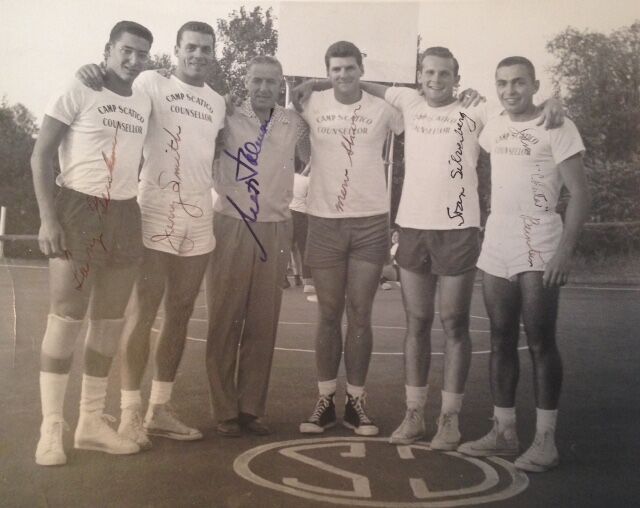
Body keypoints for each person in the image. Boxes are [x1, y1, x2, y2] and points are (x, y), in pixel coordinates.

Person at [293, 46, 564, 447]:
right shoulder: (407, 100)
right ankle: (415, 414)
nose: (435, 80)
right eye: (428, 73)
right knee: (416, 324)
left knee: (454, 324)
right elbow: (359, 81)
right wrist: (314, 82)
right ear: (419, 76)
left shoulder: (479, 109)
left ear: (457, 78)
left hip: (457, 230)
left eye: (444, 74)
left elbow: (521, 109)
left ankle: (449, 419)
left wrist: (554, 102)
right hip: (414, 228)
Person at [76, 22, 226, 448]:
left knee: (179, 314)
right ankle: (129, 415)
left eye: (206, 49)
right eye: (191, 47)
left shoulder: (218, 102)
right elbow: (113, 85)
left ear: (213, 54)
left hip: (198, 216)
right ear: (177, 51)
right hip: (155, 209)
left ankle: (160, 409)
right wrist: (90, 71)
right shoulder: (150, 83)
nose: (198, 54)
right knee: (143, 313)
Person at [457, 56, 590, 472]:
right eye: (502, 83)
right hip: (499, 235)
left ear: (534, 85)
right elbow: (453, 103)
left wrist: (565, 250)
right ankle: (504, 430)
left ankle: (546, 440)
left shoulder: (558, 125)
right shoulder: (493, 123)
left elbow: (581, 194)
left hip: (540, 235)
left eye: (518, 83)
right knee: (499, 338)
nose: (510, 90)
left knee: (539, 339)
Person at [31, 21, 154, 466]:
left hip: (124, 212)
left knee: (108, 322)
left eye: (141, 53)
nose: (132, 60)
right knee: (65, 319)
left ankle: (89, 424)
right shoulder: (78, 87)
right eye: (125, 51)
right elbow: (41, 155)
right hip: (79, 210)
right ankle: (51, 428)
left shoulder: (144, 97)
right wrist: (48, 219)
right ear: (108, 49)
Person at [294, 41, 404, 436]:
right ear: (327, 72)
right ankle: (325, 400)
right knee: (327, 313)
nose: (343, 75)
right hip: (324, 221)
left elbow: (426, 108)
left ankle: (357, 401)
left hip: (370, 222)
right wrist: (308, 83)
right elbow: (287, 107)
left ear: (361, 68)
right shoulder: (312, 102)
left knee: (360, 314)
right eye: (335, 69)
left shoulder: (385, 109)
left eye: (350, 68)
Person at [206, 55, 310, 437]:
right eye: (257, 80)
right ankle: (224, 409)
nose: (263, 88)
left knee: (263, 324)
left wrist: (313, 89)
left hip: (275, 228)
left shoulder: (293, 121)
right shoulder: (225, 113)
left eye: (271, 81)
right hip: (232, 224)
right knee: (224, 318)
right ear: (245, 80)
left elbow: (318, 131)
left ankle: (251, 408)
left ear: (280, 83)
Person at [290, 163, 315, 294]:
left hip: (288, 213)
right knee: (304, 248)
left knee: (285, 248)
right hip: (301, 215)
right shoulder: (307, 181)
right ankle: (308, 282)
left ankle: (282, 279)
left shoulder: (290, 177)